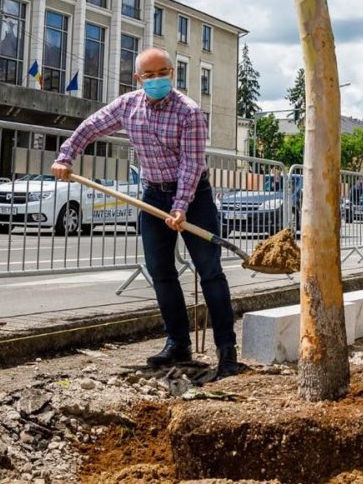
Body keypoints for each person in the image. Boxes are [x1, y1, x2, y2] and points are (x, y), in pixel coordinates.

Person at [50, 48, 238, 379]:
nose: (156, 80)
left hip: (195, 197)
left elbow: (191, 165)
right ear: (138, 79)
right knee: (161, 272)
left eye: (162, 73)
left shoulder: (189, 112)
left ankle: (227, 352)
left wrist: (181, 207)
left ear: (172, 74)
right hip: (152, 195)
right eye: (149, 76)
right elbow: (93, 125)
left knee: (210, 272)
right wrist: (67, 156)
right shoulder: (128, 105)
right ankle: (178, 344)